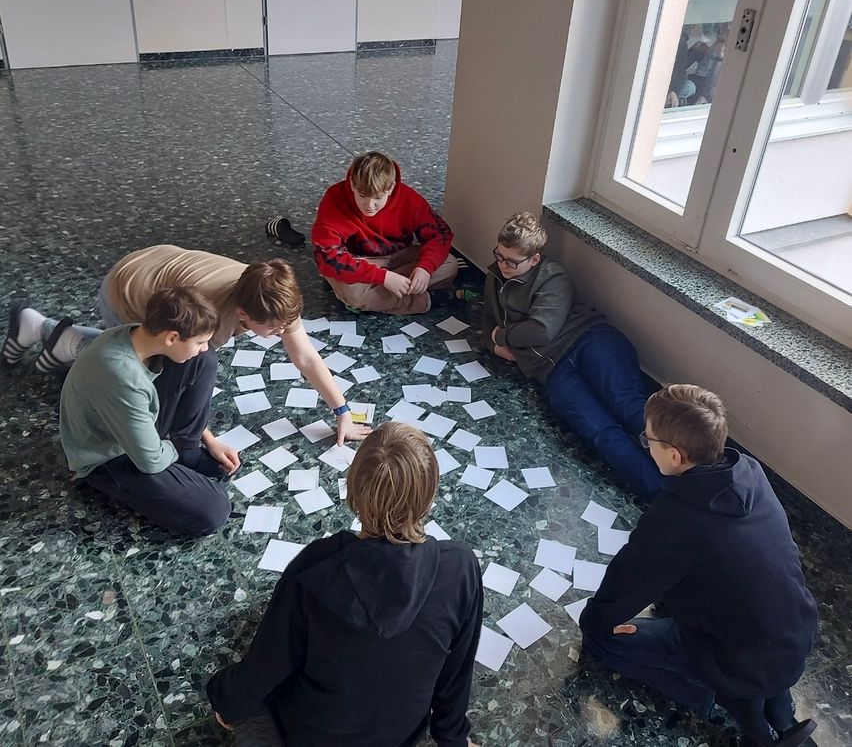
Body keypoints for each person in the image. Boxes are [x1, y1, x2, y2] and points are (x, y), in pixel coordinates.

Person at [206, 422, 484, 747]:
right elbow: (456, 672)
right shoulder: (462, 567)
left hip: (311, 735)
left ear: (353, 489)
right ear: (429, 495)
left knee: (252, 698)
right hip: (401, 737)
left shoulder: (316, 567)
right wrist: (453, 739)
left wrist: (224, 698)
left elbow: (266, 664)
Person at [580, 385, 818, 747]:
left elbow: (624, 585)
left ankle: (722, 700)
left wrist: (594, 623)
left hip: (734, 660)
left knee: (603, 644)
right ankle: (777, 712)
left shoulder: (676, 520)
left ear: (674, 455)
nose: (646, 444)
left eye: (649, 440)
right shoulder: (749, 470)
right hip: (794, 635)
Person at [2, 246, 370, 445]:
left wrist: (342, 413)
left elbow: (304, 356)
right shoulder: (212, 315)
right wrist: (202, 437)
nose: (280, 334)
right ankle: (59, 338)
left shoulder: (273, 298)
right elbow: (171, 359)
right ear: (243, 315)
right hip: (127, 291)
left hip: (157, 268)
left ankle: (43, 330)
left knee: (177, 354)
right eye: (273, 330)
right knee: (138, 365)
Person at [482, 212, 661, 498]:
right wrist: (493, 346)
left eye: (512, 262)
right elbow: (484, 317)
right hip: (552, 371)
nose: (503, 265)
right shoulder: (495, 275)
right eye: (500, 256)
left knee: (630, 409)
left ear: (534, 259)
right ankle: (663, 495)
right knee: (600, 432)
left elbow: (541, 331)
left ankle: (692, 473)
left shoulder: (553, 276)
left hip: (590, 340)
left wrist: (501, 336)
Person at [60, 287, 237, 537]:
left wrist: (207, 438)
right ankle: (178, 455)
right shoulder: (122, 378)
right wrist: (177, 447)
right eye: (200, 341)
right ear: (172, 338)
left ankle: (184, 452)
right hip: (107, 456)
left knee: (202, 361)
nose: (205, 346)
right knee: (214, 510)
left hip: (134, 422)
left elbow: (143, 402)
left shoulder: (136, 334)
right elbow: (150, 460)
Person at [311, 150, 465, 314]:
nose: (369, 205)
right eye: (362, 196)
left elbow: (440, 234)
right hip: (357, 260)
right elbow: (327, 257)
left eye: (378, 198)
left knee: (449, 264)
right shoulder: (334, 198)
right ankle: (428, 300)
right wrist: (384, 278)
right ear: (352, 184)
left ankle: (378, 295)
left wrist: (425, 268)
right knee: (354, 293)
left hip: (397, 256)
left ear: (391, 188)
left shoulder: (409, 199)